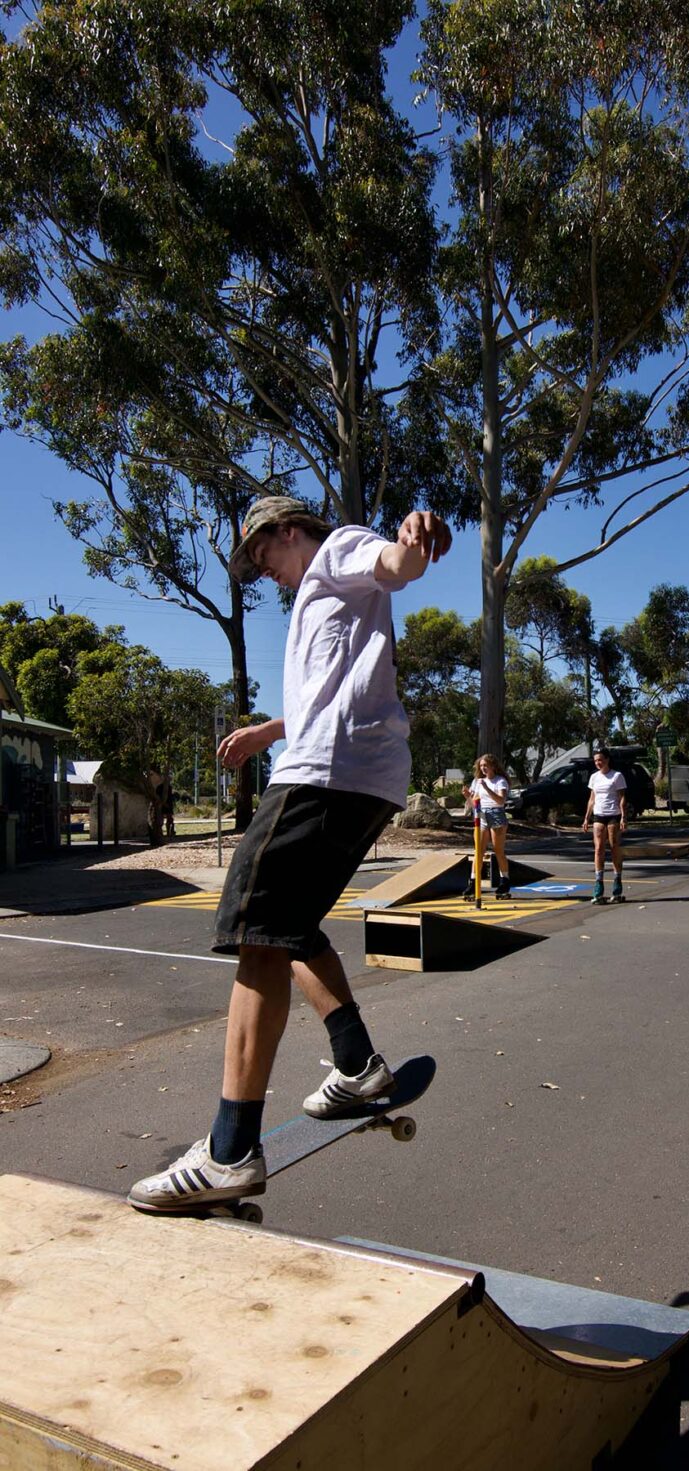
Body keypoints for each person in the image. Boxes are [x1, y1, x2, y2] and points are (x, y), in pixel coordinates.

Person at [128, 496, 451, 1214]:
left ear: (288, 532)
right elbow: (329, 696)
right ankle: (358, 1063)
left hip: (325, 779)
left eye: (264, 557)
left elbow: (395, 563)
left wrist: (415, 539)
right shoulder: (324, 596)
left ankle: (230, 1148)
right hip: (360, 778)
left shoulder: (336, 553)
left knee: (254, 934)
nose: (267, 575)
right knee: (290, 929)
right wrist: (265, 732)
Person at [463, 754, 511, 900]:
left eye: (486, 765)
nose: (483, 768)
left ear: (493, 766)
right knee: (479, 851)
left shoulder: (500, 781)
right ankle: (472, 882)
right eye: (481, 766)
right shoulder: (477, 782)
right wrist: (467, 797)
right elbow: (474, 804)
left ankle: (505, 882)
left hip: (496, 814)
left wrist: (487, 788)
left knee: (498, 850)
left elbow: (501, 800)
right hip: (481, 815)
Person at [582, 747, 627, 903]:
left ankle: (617, 884)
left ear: (607, 759)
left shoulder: (617, 776)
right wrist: (587, 818)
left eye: (600, 760)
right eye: (595, 760)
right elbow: (592, 799)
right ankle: (598, 885)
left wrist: (623, 817)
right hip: (598, 815)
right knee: (599, 848)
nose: (598, 763)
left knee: (614, 847)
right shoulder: (594, 777)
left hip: (613, 815)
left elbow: (622, 798)